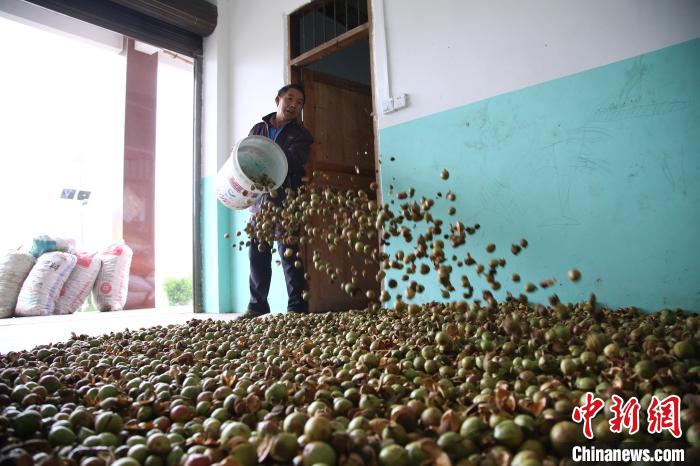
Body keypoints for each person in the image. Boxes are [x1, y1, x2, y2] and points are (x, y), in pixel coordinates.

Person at [244, 84, 314, 318]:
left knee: (289, 253)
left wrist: (267, 161)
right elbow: (247, 156)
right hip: (260, 201)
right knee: (258, 252)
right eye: (290, 99)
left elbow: (294, 162)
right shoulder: (259, 128)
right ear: (278, 100)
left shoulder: (301, 135)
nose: (294, 105)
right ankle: (257, 305)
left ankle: (297, 307)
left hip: (286, 198)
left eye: (300, 102)